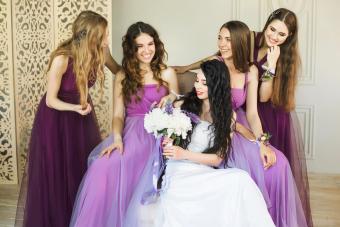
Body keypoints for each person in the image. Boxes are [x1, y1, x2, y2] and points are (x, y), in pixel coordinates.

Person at [174, 20, 308, 227]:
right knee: (242, 167)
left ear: (240, 42)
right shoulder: (214, 63)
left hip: (240, 122)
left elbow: (253, 113)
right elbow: (200, 93)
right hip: (218, 124)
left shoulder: (251, 71)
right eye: (220, 38)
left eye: (228, 39)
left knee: (279, 163)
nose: (222, 44)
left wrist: (263, 142)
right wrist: (183, 71)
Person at [122, 59, 275, 227]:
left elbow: (218, 159)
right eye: (197, 81)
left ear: (216, 85)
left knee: (242, 179)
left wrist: (185, 153)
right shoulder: (182, 105)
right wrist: (168, 142)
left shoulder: (227, 116)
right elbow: (168, 142)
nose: (198, 87)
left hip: (204, 170)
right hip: (178, 170)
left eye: (204, 83)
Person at [69, 21, 178, 227]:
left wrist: (171, 99)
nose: (147, 50)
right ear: (131, 49)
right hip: (131, 133)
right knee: (101, 167)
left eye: (150, 44)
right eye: (140, 46)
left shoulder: (167, 73)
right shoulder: (122, 76)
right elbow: (118, 115)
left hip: (159, 133)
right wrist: (117, 138)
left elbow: (177, 102)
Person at [17, 10, 116, 227]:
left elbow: (119, 71)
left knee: (81, 167)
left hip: (80, 118)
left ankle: (80, 218)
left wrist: (148, 74)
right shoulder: (62, 59)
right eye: (104, 34)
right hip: (56, 119)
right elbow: (51, 100)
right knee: (57, 171)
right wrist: (75, 108)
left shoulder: (101, 51)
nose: (107, 39)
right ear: (90, 35)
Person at [252, 9, 312, 226]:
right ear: (267, 24)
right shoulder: (252, 39)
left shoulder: (284, 58)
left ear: (289, 38)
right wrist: (187, 67)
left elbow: (264, 96)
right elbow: (221, 54)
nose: (274, 36)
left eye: (282, 34)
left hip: (270, 116)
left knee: (270, 170)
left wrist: (272, 63)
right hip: (247, 110)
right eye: (272, 29)